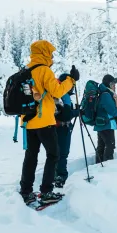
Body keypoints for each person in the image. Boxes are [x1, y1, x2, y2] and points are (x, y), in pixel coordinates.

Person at [19, 40, 79, 204]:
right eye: (50, 52)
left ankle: (26, 190)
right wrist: (71, 80)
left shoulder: (27, 69)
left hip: (29, 121)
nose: (52, 56)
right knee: (53, 155)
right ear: (44, 53)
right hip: (43, 120)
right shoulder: (43, 70)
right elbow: (57, 90)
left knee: (31, 156)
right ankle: (46, 192)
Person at [53, 73, 80, 188]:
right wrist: (77, 112)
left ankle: (55, 175)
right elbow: (66, 115)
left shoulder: (55, 92)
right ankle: (60, 177)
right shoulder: (64, 95)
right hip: (62, 127)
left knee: (56, 153)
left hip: (54, 127)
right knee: (62, 153)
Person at [94, 74, 117, 162]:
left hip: (102, 124)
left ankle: (99, 164)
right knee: (110, 145)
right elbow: (110, 108)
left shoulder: (105, 93)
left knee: (102, 145)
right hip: (106, 124)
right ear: (109, 84)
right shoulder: (106, 94)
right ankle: (108, 164)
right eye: (113, 84)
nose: (114, 86)